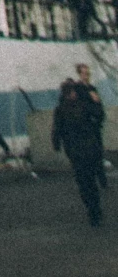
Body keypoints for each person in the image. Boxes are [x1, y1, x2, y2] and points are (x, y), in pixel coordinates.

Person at [52, 67, 107, 226]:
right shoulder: (84, 105)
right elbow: (99, 116)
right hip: (90, 150)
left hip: (75, 153)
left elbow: (57, 130)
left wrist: (56, 144)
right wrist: (96, 102)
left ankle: (92, 210)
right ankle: (96, 210)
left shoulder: (60, 110)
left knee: (84, 184)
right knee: (91, 181)